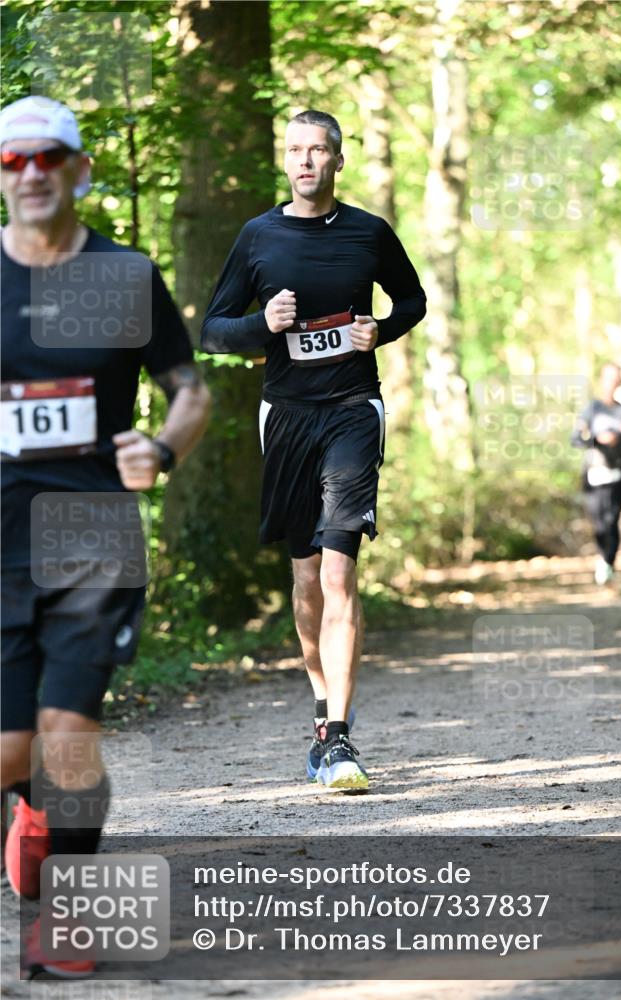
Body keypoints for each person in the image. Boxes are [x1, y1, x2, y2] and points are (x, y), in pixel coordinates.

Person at [0, 96, 211, 978]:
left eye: (48, 158)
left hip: (94, 533)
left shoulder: (122, 276)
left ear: (80, 170)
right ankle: (35, 810)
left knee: (67, 733)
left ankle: (68, 917)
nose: (32, 174)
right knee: (15, 749)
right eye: (13, 162)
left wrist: (159, 448)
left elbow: (192, 389)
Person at [201, 109, 426, 792]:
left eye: (317, 149)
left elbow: (411, 300)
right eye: (294, 149)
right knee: (303, 581)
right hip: (289, 416)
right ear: (285, 159)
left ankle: (337, 737)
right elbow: (212, 328)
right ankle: (321, 706)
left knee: (336, 575)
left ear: (336, 159)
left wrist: (378, 332)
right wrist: (258, 324)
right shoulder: (257, 236)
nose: (305, 161)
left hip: (353, 411)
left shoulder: (368, 232)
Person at [571, 362, 621, 585]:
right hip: (594, 473)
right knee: (599, 522)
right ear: (602, 380)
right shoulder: (592, 409)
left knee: (612, 519)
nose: (612, 382)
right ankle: (603, 557)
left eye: (616, 378)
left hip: (618, 472)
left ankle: (608, 561)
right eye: (609, 378)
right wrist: (596, 439)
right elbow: (576, 438)